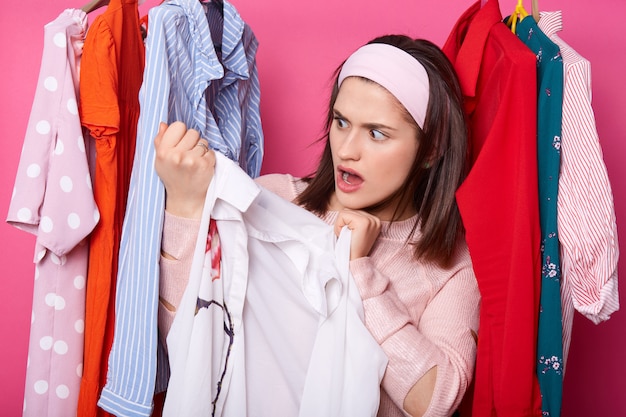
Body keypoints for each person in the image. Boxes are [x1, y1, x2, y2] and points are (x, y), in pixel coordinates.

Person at [154, 34, 480, 417]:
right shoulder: (268, 201)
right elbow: (190, 339)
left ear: (431, 148)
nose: (346, 149)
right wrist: (184, 207)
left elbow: (434, 401)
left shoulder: (449, 266)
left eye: (376, 133)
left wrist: (360, 273)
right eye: (341, 122)